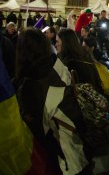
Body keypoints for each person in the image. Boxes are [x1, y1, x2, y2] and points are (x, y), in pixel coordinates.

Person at [15, 28, 93, 174]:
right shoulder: (57, 64)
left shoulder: (31, 86)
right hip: (81, 144)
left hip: (64, 159)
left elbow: (36, 131)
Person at [56, 28, 103, 93]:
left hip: (80, 100)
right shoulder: (84, 55)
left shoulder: (69, 63)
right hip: (94, 96)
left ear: (65, 43)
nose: (56, 45)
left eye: (57, 41)